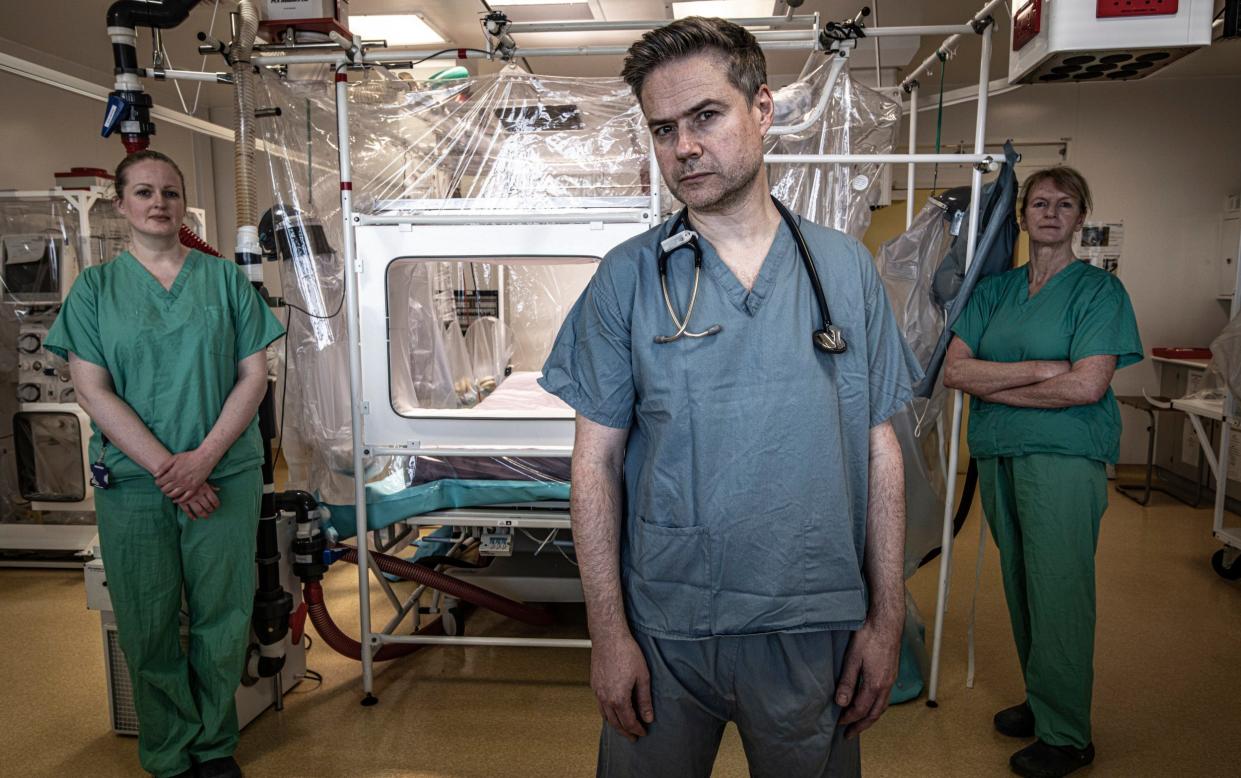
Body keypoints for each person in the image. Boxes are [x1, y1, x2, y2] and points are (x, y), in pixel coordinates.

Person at [538, 17, 921, 777]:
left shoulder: (844, 272)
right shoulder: (627, 278)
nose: (683, 146)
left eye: (705, 116)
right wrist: (607, 635)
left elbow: (880, 453)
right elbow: (593, 466)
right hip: (665, 629)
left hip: (813, 626)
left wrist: (886, 619)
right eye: (662, 128)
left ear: (763, 109)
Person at [45, 150, 285, 778]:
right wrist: (168, 470)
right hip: (135, 484)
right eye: (145, 192)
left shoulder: (225, 281)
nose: (159, 203)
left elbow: (253, 378)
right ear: (121, 204)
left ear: (183, 206)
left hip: (222, 474)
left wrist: (202, 461)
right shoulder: (95, 290)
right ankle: (168, 748)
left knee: (222, 616)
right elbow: (92, 390)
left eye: (171, 193)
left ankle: (212, 745)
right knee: (147, 620)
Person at [943, 167, 1142, 778]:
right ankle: (1042, 697)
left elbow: (1087, 386)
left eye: (1065, 203)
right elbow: (955, 371)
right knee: (1022, 583)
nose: (1050, 212)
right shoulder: (993, 291)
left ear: (1081, 216)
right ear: (1021, 215)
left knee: (1059, 590)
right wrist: (1037, 370)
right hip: (1001, 453)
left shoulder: (1099, 293)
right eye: (1038, 203)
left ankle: (1067, 734)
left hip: (1063, 460)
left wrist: (997, 383)